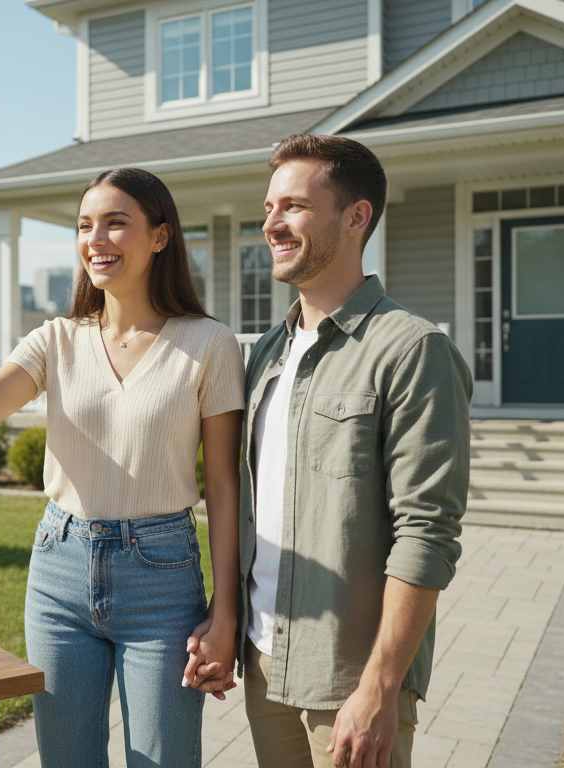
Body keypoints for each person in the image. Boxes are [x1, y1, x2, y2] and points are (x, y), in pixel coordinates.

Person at [0, 167, 244, 767]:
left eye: (115, 223)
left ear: (160, 237)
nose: (95, 238)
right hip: (59, 571)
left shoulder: (209, 344)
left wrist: (225, 611)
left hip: (162, 580)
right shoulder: (56, 340)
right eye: (84, 225)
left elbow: (226, 486)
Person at [188, 134, 471, 768]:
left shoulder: (411, 349)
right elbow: (243, 503)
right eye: (268, 208)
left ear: (355, 217)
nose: (271, 224)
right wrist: (226, 620)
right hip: (264, 665)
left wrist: (380, 687)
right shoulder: (264, 352)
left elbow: (427, 533)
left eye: (292, 206)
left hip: (351, 682)